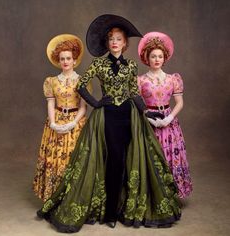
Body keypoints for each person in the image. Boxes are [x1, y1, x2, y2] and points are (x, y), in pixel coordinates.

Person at [36, 15, 181, 233]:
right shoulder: (98, 64)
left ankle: (122, 208)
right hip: (106, 117)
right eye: (111, 39)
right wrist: (96, 103)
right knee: (112, 159)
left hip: (129, 116)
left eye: (119, 39)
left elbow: (134, 93)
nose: (115, 42)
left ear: (125, 43)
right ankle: (110, 211)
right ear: (107, 43)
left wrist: (146, 111)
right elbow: (81, 86)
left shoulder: (132, 65)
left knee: (127, 159)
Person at [33, 34, 89, 202]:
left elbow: (83, 107)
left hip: (75, 122)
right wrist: (53, 123)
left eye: (68, 58)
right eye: (62, 58)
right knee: (55, 158)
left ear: (74, 60)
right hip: (56, 119)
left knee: (72, 159)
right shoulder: (51, 81)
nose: (65, 61)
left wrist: (73, 122)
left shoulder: (82, 81)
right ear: (58, 61)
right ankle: (53, 197)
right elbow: (51, 103)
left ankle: (70, 198)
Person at [137, 32, 193, 198]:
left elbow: (180, 102)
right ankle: (153, 194)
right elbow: (136, 102)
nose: (156, 59)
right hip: (149, 120)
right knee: (151, 155)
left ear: (164, 57)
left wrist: (169, 118)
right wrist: (148, 117)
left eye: (160, 56)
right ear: (147, 58)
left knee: (170, 155)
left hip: (169, 123)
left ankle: (169, 193)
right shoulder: (140, 80)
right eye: (153, 56)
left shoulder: (173, 79)